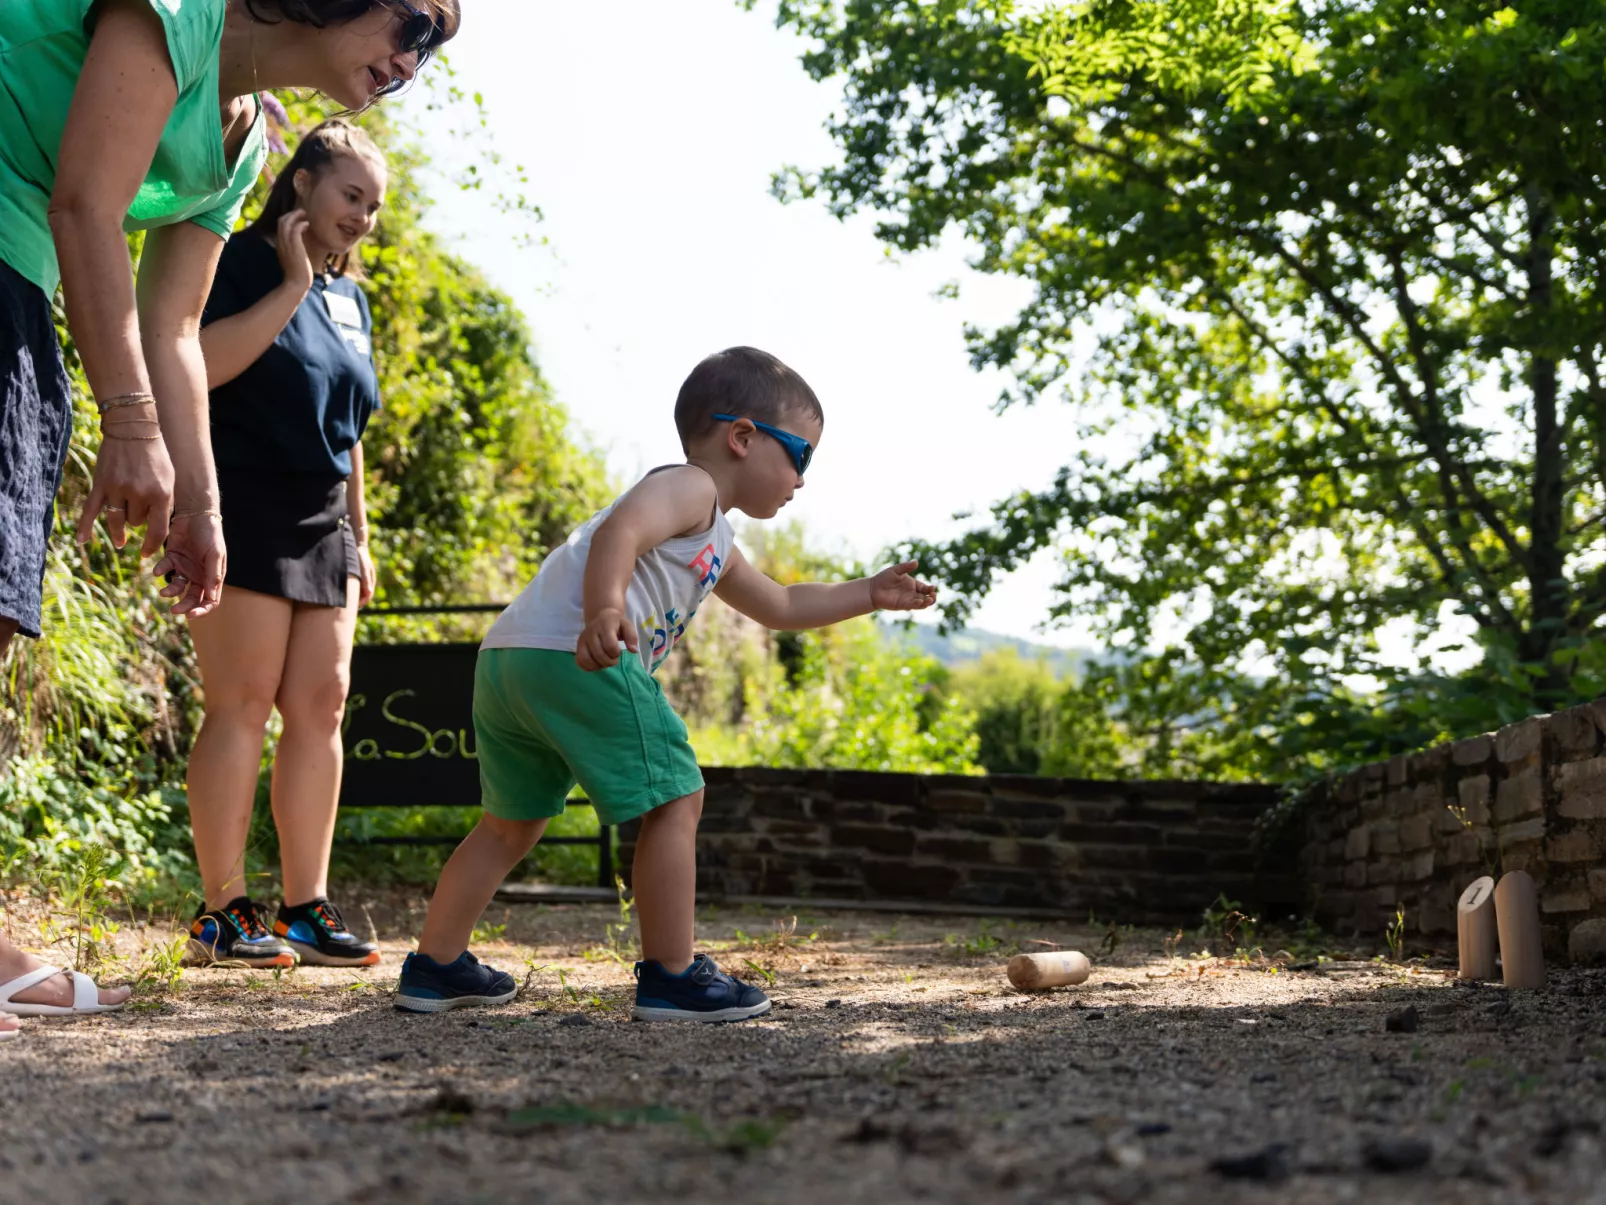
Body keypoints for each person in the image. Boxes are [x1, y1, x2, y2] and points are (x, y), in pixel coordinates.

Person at [0, 0, 457, 1038]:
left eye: (435, 49)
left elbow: (167, 330)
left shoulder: (241, 138)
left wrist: (197, 504)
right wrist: (126, 422)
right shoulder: (180, 10)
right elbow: (86, 205)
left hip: (18, 276)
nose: (414, 61)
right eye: (416, 24)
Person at [395, 346, 938, 1020]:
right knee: (678, 797)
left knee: (510, 826)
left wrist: (869, 592)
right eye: (801, 455)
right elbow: (620, 531)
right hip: (581, 652)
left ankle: (435, 964)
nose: (802, 479)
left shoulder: (715, 538)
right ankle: (672, 974)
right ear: (742, 436)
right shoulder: (692, 487)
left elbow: (783, 605)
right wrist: (605, 611)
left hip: (511, 659)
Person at [182, 119, 386, 969]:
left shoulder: (355, 297)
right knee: (242, 701)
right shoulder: (236, 260)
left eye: (374, 207)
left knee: (321, 707)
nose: (364, 218)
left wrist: (362, 535)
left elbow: (353, 429)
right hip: (243, 502)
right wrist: (294, 283)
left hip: (325, 522)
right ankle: (221, 915)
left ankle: (305, 907)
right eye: (351, 195)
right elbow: (199, 362)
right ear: (302, 182)